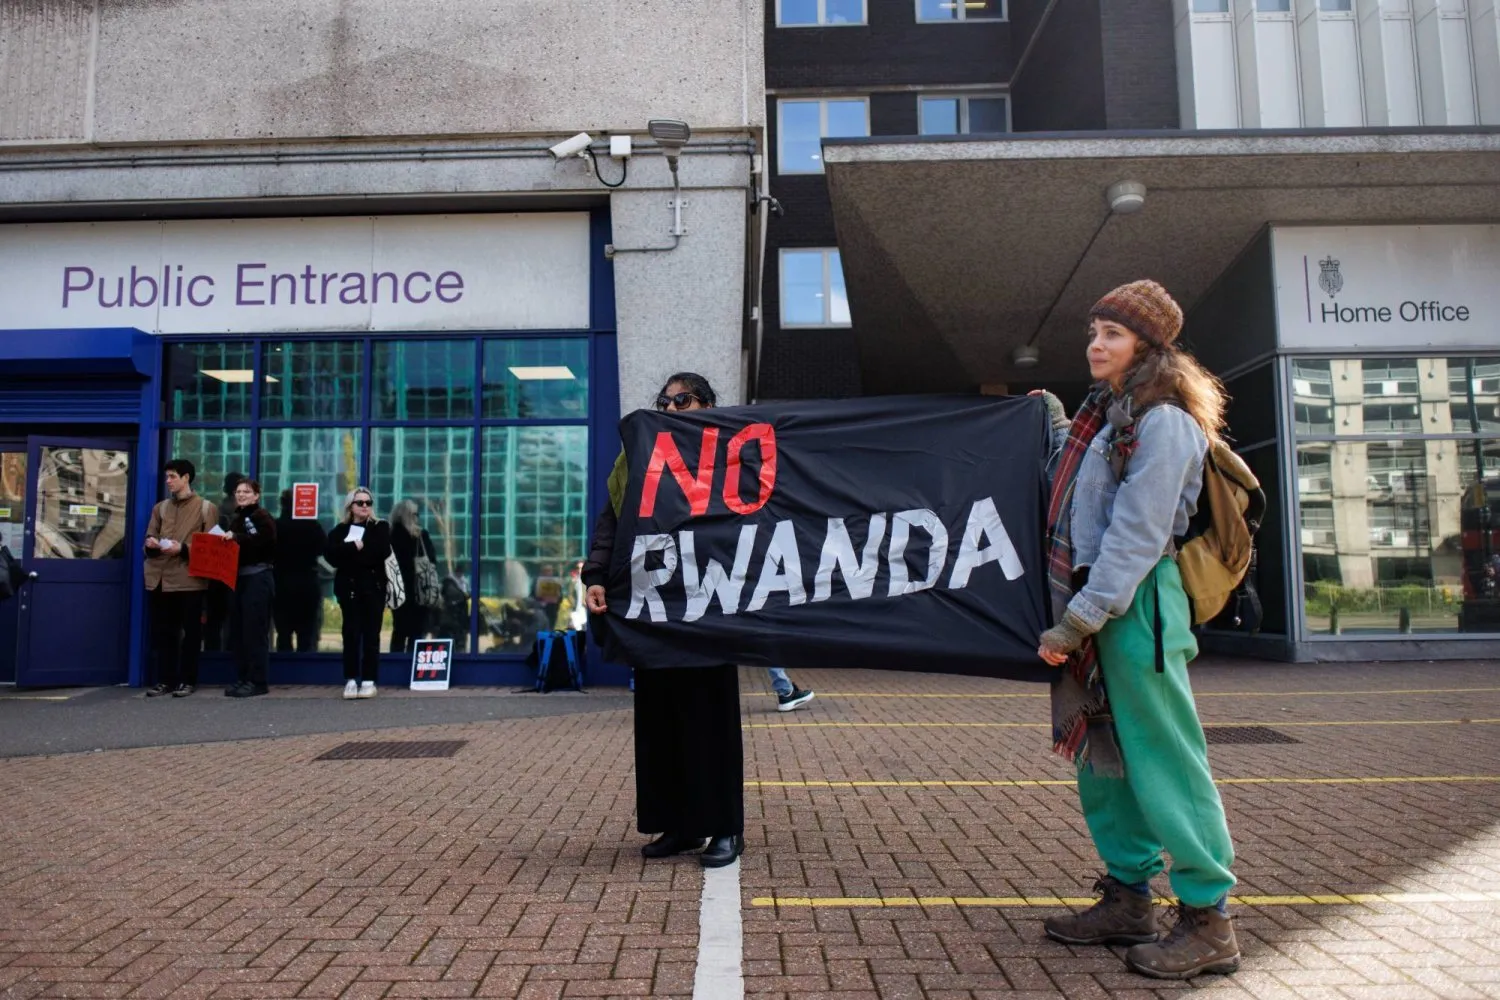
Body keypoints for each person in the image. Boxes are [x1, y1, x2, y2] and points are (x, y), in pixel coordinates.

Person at [1034, 280, 1239, 979]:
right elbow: (1080, 492)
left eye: (1113, 334)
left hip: (1135, 606)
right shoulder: (1104, 417)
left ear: (1148, 346)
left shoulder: (1165, 422)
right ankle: (1128, 899)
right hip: (1097, 606)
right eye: (1094, 329)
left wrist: (1077, 621)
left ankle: (1210, 920)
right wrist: (1049, 418)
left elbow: (1138, 533)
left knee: (1164, 759)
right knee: (1105, 759)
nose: (1097, 343)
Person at [583, 372, 745, 869]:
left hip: (707, 607)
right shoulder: (635, 458)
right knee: (661, 721)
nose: (672, 409)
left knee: (708, 719)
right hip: (652, 608)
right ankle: (678, 825)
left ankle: (723, 828)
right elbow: (612, 521)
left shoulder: (731, 454)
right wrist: (594, 574)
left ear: (709, 405)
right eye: (664, 401)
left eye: (684, 400)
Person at [142, 459, 219, 697]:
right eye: (167, 477)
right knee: (165, 633)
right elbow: (148, 538)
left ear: (186, 478)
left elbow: (213, 547)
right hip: (160, 579)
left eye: (173, 476)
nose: (168, 481)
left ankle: (188, 680)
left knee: (190, 634)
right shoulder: (160, 508)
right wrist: (152, 544)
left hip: (190, 580)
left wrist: (183, 549)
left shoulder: (206, 508)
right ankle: (165, 680)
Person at [325, 487, 391, 699]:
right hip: (349, 590)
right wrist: (354, 548)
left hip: (373, 589)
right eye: (359, 503)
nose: (364, 506)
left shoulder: (380, 527)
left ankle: (369, 680)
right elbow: (331, 556)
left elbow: (377, 553)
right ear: (350, 507)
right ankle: (351, 679)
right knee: (351, 634)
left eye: (368, 502)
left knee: (371, 634)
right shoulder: (339, 531)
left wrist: (352, 553)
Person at [226, 478, 276, 698]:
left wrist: (237, 538)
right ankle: (243, 677)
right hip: (239, 579)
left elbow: (265, 540)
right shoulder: (237, 518)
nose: (242, 495)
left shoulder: (261, 516)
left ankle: (257, 681)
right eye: (238, 491)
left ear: (257, 495)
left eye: (247, 491)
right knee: (240, 631)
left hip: (258, 577)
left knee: (255, 631)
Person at [273, 489, 327, 653]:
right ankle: (305, 673)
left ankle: (283, 672)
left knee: (283, 634)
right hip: (307, 582)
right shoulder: (311, 525)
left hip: (282, 582)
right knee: (306, 633)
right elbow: (323, 548)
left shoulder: (277, 526)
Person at [202, 471, 244, 652]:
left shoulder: (217, 512)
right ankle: (229, 655)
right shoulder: (238, 515)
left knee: (215, 620)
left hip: (217, 574)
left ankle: (214, 655)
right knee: (233, 619)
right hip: (235, 573)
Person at [389, 498, 437, 653]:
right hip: (420, 590)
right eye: (415, 514)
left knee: (399, 632)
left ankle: (395, 669)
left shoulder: (390, 536)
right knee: (417, 633)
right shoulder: (420, 536)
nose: (418, 517)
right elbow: (432, 561)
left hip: (399, 590)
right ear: (405, 515)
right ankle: (412, 670)